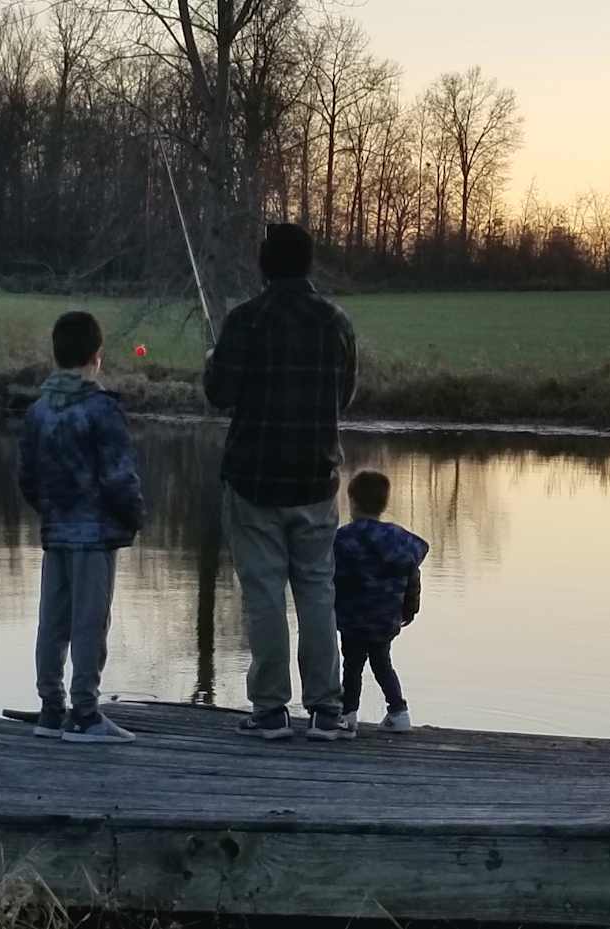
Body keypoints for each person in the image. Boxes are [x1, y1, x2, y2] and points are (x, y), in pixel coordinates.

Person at [203, 223, 358, 742]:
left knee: (264, 594)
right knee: (317, 592)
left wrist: (212, 364)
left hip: (252, 479)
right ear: (309, 264)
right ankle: (326, 711)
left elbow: (219, 394)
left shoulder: (245, 320)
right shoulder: (336, 322)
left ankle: (270, 711)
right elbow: (346, 397)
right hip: (315, 480)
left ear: (265, 264)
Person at [17, 311, 144, 745]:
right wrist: (134, 517)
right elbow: (118, 477)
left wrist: (52, 511)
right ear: (96, 357)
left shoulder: (37, 411)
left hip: (56, 533)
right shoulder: (102, 410)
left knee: (52, 620)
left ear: (55, 355)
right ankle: (86, 713)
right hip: (94, 535)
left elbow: (27, 479)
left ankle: (50, 709)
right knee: (90, 622)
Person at [334, 470, 429, 733]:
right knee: (382, 663)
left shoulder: (343, 539)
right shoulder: (400, 541)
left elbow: (330, 577)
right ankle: (398, 712)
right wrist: (410, 608)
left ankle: (348, 714)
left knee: (352, 665)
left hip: (352, 617)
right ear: (384, 504)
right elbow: (413, 575)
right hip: (386, 617)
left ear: (351, 501)